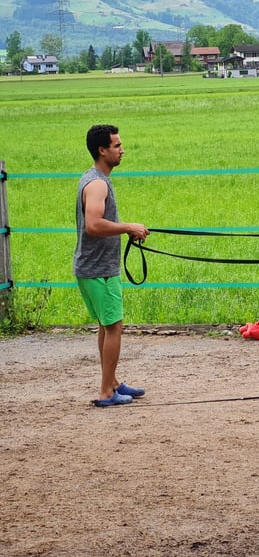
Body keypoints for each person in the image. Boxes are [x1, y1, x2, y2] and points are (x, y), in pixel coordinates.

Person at [74, 124, 149, 407]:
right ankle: (106, 392)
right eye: (117, 146)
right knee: (114, 326)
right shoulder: (97, 184)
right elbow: (94, 225)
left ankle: (113, 382)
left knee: (106, 326)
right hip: (99, 269)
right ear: (102, 150)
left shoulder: (94, 179)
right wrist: (128, 226)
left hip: (95, 268)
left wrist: (127, 229)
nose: (122, 150)